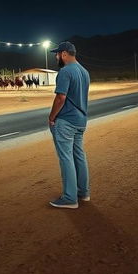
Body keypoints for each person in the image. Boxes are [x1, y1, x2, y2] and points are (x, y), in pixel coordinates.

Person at [47, 41, 90, 209]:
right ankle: (83, 193)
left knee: (66, 159)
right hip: (81, 120)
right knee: (79, 156)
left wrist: (51, 117)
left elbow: (61, 98)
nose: (56, 56)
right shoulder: (84, 72)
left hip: (66, 121)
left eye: (57, 54)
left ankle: (69, 198)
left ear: (64, 54)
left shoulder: (65, 72)